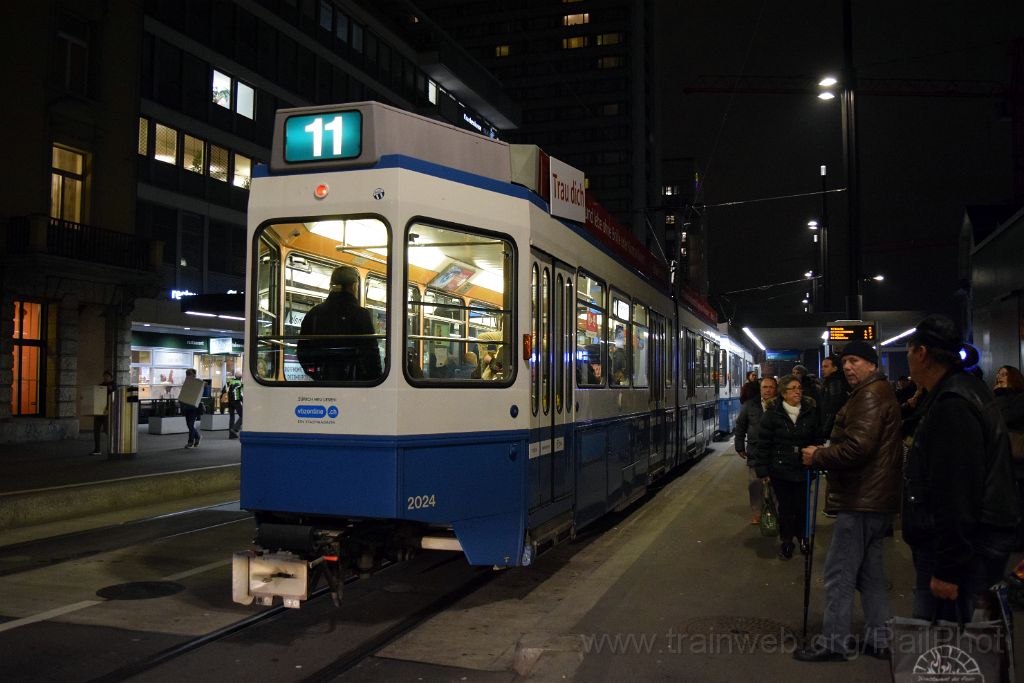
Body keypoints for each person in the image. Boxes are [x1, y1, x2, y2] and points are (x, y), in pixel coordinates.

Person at [900, 316, 1020, 626]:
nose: (908, 358)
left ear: (922, 352)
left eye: (908, 350)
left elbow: (957, 492)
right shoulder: (965, 389)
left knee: (952, 647)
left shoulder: (953, 404)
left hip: (963, 549)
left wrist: (947, 570)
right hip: (972, 542)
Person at [794, 340, 903, 662]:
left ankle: (834, 642)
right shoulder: (878, 391)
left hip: (861, 499)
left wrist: (818, 455)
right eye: (845, 363)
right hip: (874, 499)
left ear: (871, 364)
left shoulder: (869, 395)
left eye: (855, 360)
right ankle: (879, 638)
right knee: (870, 576)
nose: (848, 367)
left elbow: (858, 449)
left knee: (839, 574)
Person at [753, 375, 823, 560]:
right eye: (792, 388)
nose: (797, 391)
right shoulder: (772, 415)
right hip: (780, 470)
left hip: (803, 469)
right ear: (783, 393)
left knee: (802, 507)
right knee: (785, 508)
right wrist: (763, 471)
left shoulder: (810, 413)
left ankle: (802, 538)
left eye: (799, 388)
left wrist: (817, 458)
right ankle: (786, 541)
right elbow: (764, 444)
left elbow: (817, 440)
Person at [297, 265, 381, 381]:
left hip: (323, 380)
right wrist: (373, 379)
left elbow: (303, 351)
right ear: (353, 286)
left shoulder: (314, 313)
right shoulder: (360, 314)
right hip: (355, 384)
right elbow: (371, 354)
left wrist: (317, 374)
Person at [735, 376, 778, 525]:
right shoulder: (749, 405)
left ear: (776, 389)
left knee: (775, 485)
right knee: (755, 484)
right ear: (760, 390)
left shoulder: (780, 405)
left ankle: (776, 513)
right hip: (755, 451)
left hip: (775, 451)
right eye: (765, 387)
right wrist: (739, 446)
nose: (768, 390)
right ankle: (757, 513)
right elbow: (740, 426)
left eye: (771, 387)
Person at [818, 354, 849, 437]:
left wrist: (825, 430)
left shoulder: (834, 383)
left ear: (835, 368)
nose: (822, 369)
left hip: (832, 428)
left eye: (826, 367)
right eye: (822, 366)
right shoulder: (833, 382)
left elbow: (834, 407)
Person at [91, 370, 116, 455]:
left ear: (111, 377)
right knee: (96, 430)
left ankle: (113, 447)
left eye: (107, 376)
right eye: (104, 376)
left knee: (107, 430)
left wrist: (111, 390)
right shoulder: (101, 385)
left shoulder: (114, 386)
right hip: (99, 410)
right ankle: (97, 449)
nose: (105, 378)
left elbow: (115, 397)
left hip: (108, 411)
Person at [180, 368, 204, 449]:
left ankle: (190, 442)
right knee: (189, 425)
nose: (188, 375)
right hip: (186, 407)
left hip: (193, 407)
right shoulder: (187, 383)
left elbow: (204, 385)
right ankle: (197, 437)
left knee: (190, 425)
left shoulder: (198, 382)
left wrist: (203, 384)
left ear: (194, 374)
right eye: (187, 374)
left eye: (189, 374)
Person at [226, 369, 243, 439]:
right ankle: (235, 428)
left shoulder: (231, 382)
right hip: (236, 402)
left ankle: (231, 434)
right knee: (243, 416)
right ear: (240, 377)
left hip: (230, 402)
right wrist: (243, 400)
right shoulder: (238, 383)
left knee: (232, 418)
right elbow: (238, 394)